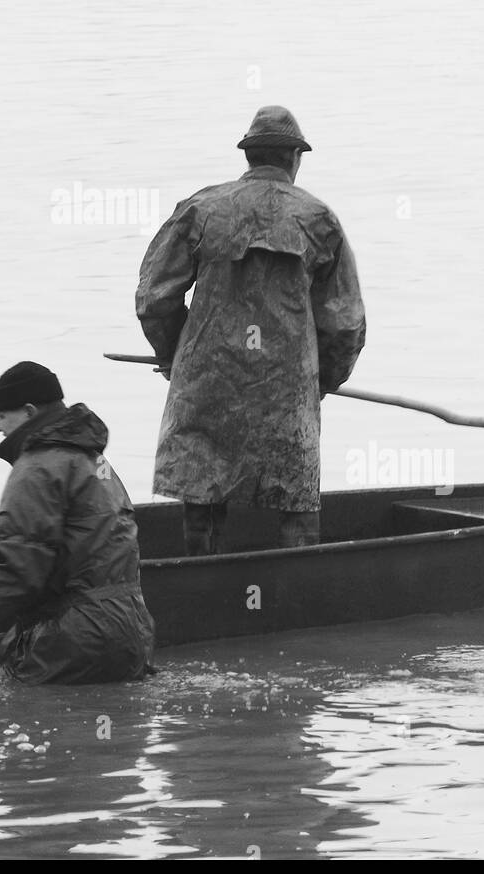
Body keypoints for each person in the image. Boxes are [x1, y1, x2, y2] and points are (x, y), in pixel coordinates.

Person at [136, 106, 366, 556]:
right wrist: (323, 380)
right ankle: (297, 588)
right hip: (286, 388)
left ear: (249, 156)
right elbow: (344, 322)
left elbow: (154, 298)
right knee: (296, 498)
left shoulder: (201, 209)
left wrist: (174, 356)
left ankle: (203, 583)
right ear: (295, 158)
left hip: (206, 381)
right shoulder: (318, 220)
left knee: (202, 493)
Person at [0, 362, 155, 684]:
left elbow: (20, 573)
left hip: (75, 638)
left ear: (28, 411)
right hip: (132, 632)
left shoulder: (35, 467)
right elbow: (69, 546)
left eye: (1, 416)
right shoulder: (94, 461)